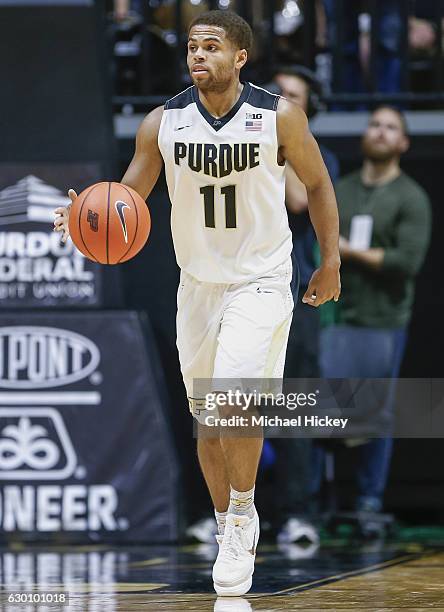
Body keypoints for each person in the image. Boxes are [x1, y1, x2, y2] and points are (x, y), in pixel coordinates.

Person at [54, 10, 341, 596]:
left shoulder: (277, 115)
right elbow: (128, 195)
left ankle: (243, 514)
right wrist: (87, 215)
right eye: (192, 47)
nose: (197, 55)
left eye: (211, 47)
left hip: (260, 279)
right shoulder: (164, 122)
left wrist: (330, 260)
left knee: (233, 397)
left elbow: (316, 184)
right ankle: (223, 522)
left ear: (240, 57)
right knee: (208, 422)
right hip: (198, 285)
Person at [315, 106, 431, 531]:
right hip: (335, 315)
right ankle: (317, 500)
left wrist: (346, 252)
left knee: (376, 412)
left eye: (390, 128)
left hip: (382, 320)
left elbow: (406, 261)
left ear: (402, 142)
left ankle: (369, 498)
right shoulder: (340, 189)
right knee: (321, 410)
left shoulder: (411, 197)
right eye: (375, 124)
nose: (380, 132)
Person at [269, 65, 340, 545]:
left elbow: (299, 202)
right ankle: (226, 512)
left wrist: (278, 147)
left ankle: (299, 512)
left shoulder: (316, 155)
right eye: (276, 92)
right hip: (234, 275)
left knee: (294, 402)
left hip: (292, 282)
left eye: (292, 96)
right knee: (226, 400)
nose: (280, 100)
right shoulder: (233, 142)